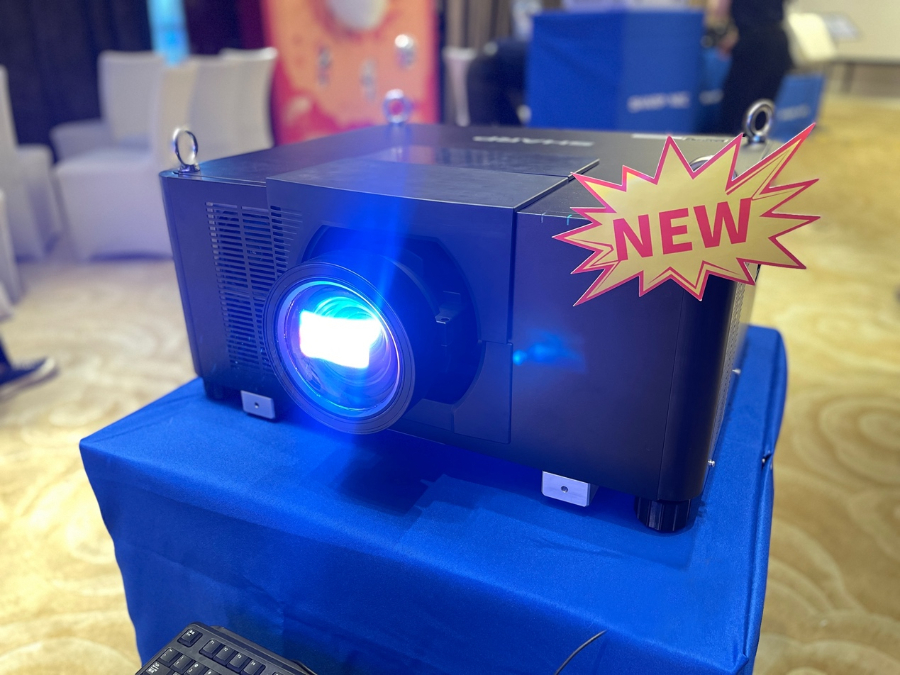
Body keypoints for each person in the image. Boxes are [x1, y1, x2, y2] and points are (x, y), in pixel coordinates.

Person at [712, 0, 792, 135]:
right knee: (761, 109)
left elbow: (719, 12)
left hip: (753, 42)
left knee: (735, 108)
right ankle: (755, 145)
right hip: (778, 40)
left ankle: (729, 145)